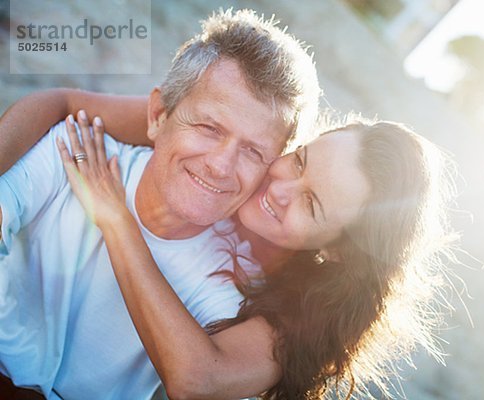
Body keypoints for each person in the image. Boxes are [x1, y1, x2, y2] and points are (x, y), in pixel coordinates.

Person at [0, 8, 320, 399]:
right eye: (209, 128)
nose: (221, 166)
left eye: (253, 152)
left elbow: (202, 377)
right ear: (157, 115)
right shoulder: (77, 152)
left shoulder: (230, 281)